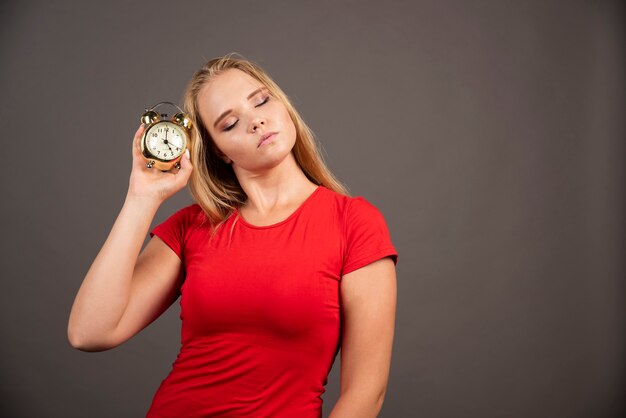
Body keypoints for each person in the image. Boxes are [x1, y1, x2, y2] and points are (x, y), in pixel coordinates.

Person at [68, 54, 398, 418]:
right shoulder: (192, 226)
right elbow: (90, 332)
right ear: (219, 152)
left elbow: (366, 394)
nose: (256, 120)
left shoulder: (353, 223)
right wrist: (141, 196)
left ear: (282, 104)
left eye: (261, 100)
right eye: (229, 124)